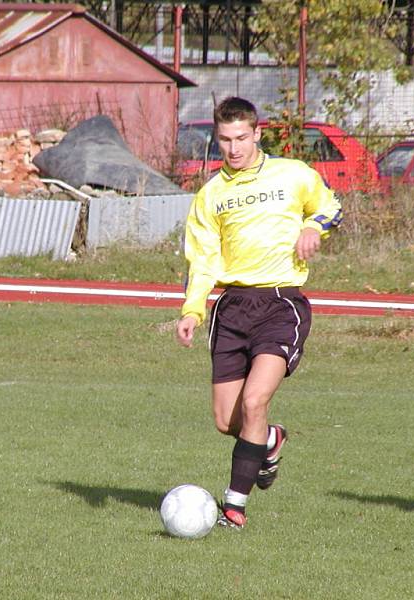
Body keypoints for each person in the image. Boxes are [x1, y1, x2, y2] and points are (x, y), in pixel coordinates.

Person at [175, 96, 342, 529]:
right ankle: (270, 439)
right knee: (226, 418)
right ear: (218, 138)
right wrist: (193, 310)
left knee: (255, 400)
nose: (234, 148)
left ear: (257, 134)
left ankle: (234, 506)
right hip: (231, 308)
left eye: (242, 138)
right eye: (225, 139)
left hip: (280, 303)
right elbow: (203, 259)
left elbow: (331, 205)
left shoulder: (292, 174)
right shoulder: (210, 195)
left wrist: (312, 225)